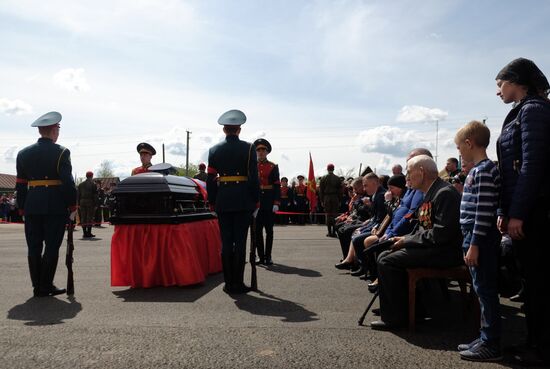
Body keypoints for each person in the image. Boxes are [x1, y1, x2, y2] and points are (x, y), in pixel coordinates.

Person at [495, 57, 550, 366]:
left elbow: (530, 168)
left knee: (540, 281)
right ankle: (534, 341)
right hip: (524, 208)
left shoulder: (534, 111)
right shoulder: (522, 112)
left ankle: (542, 348)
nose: (498, 90)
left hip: (536, 210)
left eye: (501, 83)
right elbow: (510, 171)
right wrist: (505, 210)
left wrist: (517, 213)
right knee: (530, 280)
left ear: (517, 82)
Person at [371, 155, 463, 330]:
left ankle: (396, 318)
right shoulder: (432, 192)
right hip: (434, 247)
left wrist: (406, 240)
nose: (407, 177)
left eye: (409, 172)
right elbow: (423, 227)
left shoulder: (444, 193)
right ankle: (407, 309)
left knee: (387, 260)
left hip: (445, 251)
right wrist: (402, 239)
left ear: (421, 172)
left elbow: (441, 234)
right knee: (386, 253)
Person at [454, 121, 502, 361]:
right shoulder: (480, 170)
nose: (459, 151)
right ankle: (485, 337)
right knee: (481, 288)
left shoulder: (482, 171)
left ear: (469, 143)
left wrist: (473, 244)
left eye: (459, 147)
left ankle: (491, 343)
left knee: (485, 290)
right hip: (475, 236)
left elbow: (483, 212)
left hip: (478, 238)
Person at [15, 111, 77, 297]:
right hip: (55, 206)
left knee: (33, 245)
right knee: (51, 245)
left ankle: (37, 286)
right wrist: (72, 204)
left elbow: (20, 184)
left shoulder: (23, 154)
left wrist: (22, 206)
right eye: (58, 128)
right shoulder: (62, 152)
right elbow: (67, 182)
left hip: (32, 204)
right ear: (53, 130)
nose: (58, 132)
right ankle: (46, 284)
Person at [206, 109, 260, 294]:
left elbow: (210, 180)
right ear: (239, 130)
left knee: (226, 243)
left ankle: (228, 283)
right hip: (243, 200)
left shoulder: (214, 150)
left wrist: (212, 202)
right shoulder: (249, 148)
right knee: (240, 241)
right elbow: (254, 177)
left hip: (223, 201)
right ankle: (238, 282)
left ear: (224, 130)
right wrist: (256, 201)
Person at [253, 138, 281, 265]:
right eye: (258, 150)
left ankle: (268, 256)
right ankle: (261, 256)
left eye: (263, 150)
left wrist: (276, 202)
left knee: (269, 231)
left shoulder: (273, 166)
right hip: (257, 202)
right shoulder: (252, 166)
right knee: (257, 231)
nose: (261, 152)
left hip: (269, 201)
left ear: (267, 152)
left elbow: (276, 185)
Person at [319, 163, 342, 237]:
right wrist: (339, 200)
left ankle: (329, 232)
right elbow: (340, 191)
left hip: (326, 198)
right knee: (335, 215)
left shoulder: (323, 178)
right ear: (333, 169)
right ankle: (334, 232)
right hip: (335, 197)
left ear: (327, 169)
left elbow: (321, 191)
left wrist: (322, 200)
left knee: (328, 215)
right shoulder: (337, 178)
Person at [78, 171, 98, 238]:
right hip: (90, 202)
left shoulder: (80, 185)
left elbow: (78, 195)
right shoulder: (93, 184)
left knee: (83, 217)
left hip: (82, 202)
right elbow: (95, 195)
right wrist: (96, 204)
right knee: (89, 217)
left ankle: (84, 233)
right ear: (92, 176)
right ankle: (89, 233)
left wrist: (78, 204)